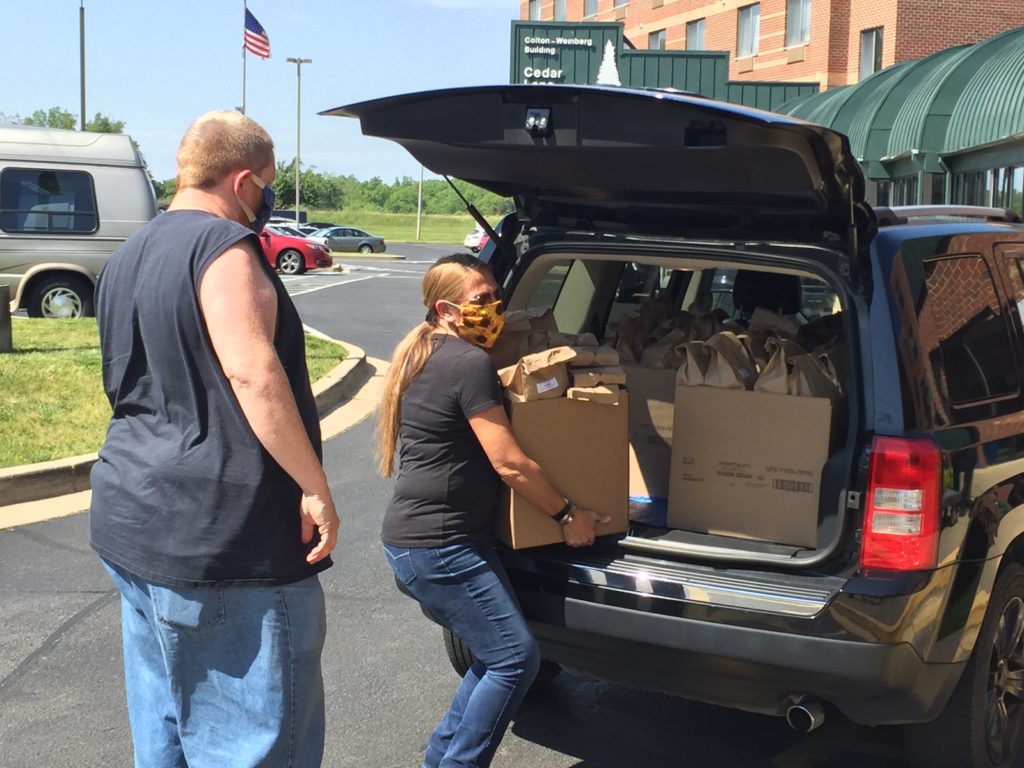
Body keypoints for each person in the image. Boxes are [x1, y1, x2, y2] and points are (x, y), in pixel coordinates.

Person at [89, 110, 339, 768]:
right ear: (243, 181)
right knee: (249, 747)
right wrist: (315, 488)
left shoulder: (126, 256)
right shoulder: (224, 250)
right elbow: (252, 373)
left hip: (133, 521)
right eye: (268, 185)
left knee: (165, 732)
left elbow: (124, 383)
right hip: (226, 545)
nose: (267, 199)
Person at [377, 253, 609, 768]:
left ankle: (442, 759)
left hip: (433, 541)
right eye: (481, 301)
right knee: (515, 660)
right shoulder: (467, 362)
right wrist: (569, 514)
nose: (495, 309)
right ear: (446, 309)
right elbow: (510, 464)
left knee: (498, 655)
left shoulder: (423, 351)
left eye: (495, 297)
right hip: (439, 547)